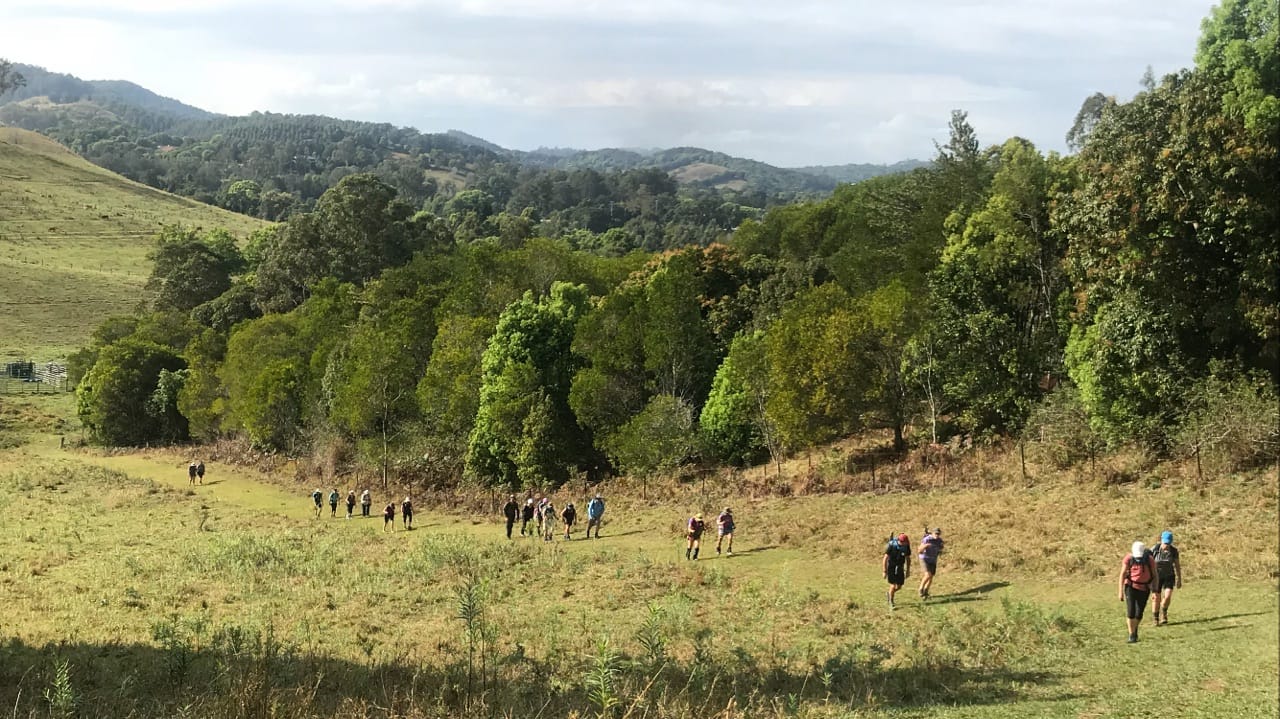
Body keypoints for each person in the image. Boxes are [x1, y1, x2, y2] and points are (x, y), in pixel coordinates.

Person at [1119, 540, 1157, 643]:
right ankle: (1132, 635)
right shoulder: (1128, 559)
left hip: (1144, 588)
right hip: (1130, 587)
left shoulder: (1149, 560)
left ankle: (1134, 629)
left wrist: (1154, 591)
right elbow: (1122, 575)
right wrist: (1120, 592)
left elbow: (1155, 575)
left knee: (1139, 613)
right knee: (1131, 611)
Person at [1151, 530, 1183, 626]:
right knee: (1156, 598)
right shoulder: (1154, 550)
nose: (1166, 546)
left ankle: (1164, 612)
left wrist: (1179, 579)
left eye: (1168, 543)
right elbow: (1148, 564)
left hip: (1169, 576)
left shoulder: (1173, 551)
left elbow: (1177, 565)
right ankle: (1155, 618)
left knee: (1167, 596)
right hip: (1156, 577)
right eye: (1165, 543)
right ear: (1161, 540)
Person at [883, 533, 911, 609]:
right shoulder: (892, 546)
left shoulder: (906, 547)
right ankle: (891, 602)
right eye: (905, 542)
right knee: (893, 585)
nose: (906, 543)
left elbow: (908, 559)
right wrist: (884, 571)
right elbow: (885, 558)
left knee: (899, 586)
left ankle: (889, 594)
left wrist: (908, 570)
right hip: (892, 567)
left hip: (900, 567)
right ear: (901, 541)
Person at [917, 527, 944, 599]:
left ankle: (926, 591)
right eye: (936, 533)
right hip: (924, 558)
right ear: (932, 533)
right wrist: (926, 546)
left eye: (938, 534)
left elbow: (941, 548)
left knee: (931, 577)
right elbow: (919, 550)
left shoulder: (939, 540)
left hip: (933, 559)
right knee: (927, 575)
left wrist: (940, 549)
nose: (937, 535)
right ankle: (920, 589)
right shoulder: (927, 539)